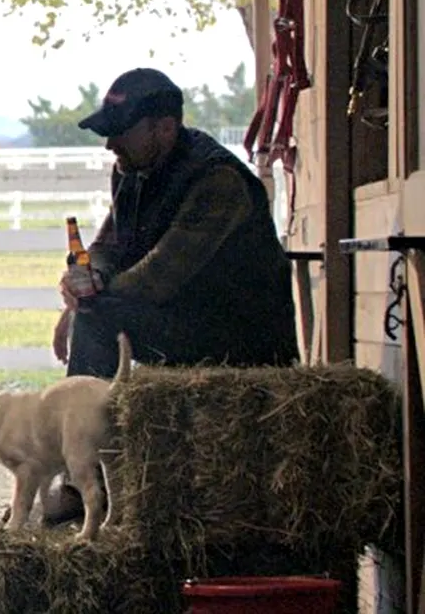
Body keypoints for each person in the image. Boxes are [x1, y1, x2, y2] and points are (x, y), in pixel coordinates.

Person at [39, 66, 301, 526]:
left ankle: (81, 483)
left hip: (237, 338)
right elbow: (107, 246)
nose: (110, 145)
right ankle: (81, 476)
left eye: (121, 133)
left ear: (165, 128)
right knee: (95, 313)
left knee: (98, 319)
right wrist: (84, 281)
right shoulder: (135, 168)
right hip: (188, 322)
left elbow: (160, 276)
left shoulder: (217, 181)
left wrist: (91, 297)